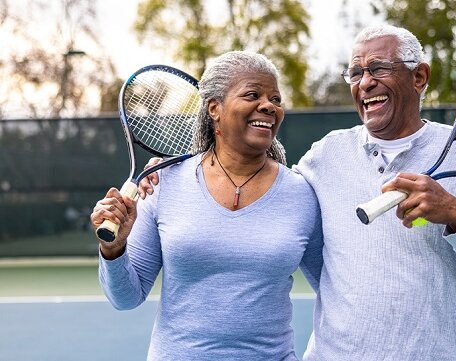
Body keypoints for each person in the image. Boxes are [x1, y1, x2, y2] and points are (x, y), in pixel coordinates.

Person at [140, 24, 456, 360]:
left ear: (419, 76)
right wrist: (172, 174)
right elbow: (257, 190)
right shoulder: (324, 158)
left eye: (379, 67)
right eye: (355, 72)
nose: (365, 82)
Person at [90, 51, 324, 360]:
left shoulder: (302, 193)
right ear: (214, 108)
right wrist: (114, 248)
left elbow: (336, 290)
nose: (269, 106)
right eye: (253, 94)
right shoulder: (163, 182)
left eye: (276, 99)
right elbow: (126, 297)